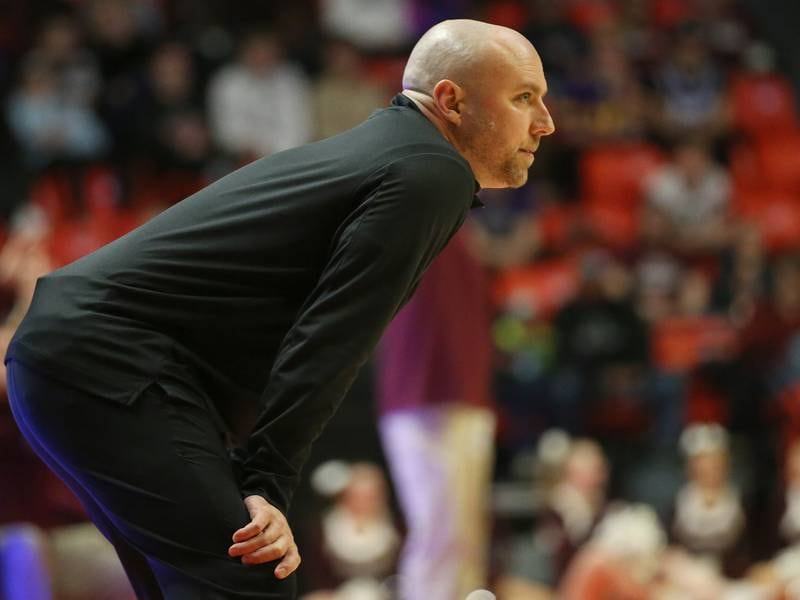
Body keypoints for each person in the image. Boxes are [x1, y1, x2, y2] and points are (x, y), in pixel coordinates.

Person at [4, 18, 554, 599]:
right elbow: (331, 338)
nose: (546, 122)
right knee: (250, 580)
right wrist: (267, 483)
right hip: (109, 359)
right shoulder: (431, 172)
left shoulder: (394, 152)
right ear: (451, 101)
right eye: (524, 98)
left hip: (74, 356)